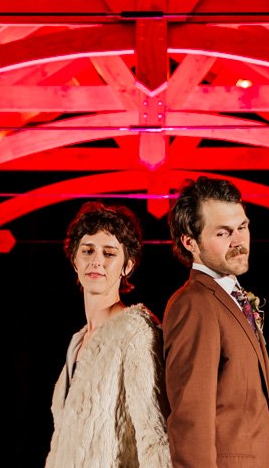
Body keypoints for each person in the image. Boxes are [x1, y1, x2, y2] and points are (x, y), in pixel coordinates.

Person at [163, 176, 269, 468]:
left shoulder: (232, 298)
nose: (239, 241)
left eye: (242, 227)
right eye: (222, 233)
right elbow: (191, 421)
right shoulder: (193, 304)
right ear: (190, 242)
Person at [46, 200, 172, 468]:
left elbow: (154, 432)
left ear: (128, 265)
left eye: (109, 253)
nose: (96, 261)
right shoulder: (77, 342)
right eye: (88, 250)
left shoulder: (135, 330)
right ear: (74, 260)